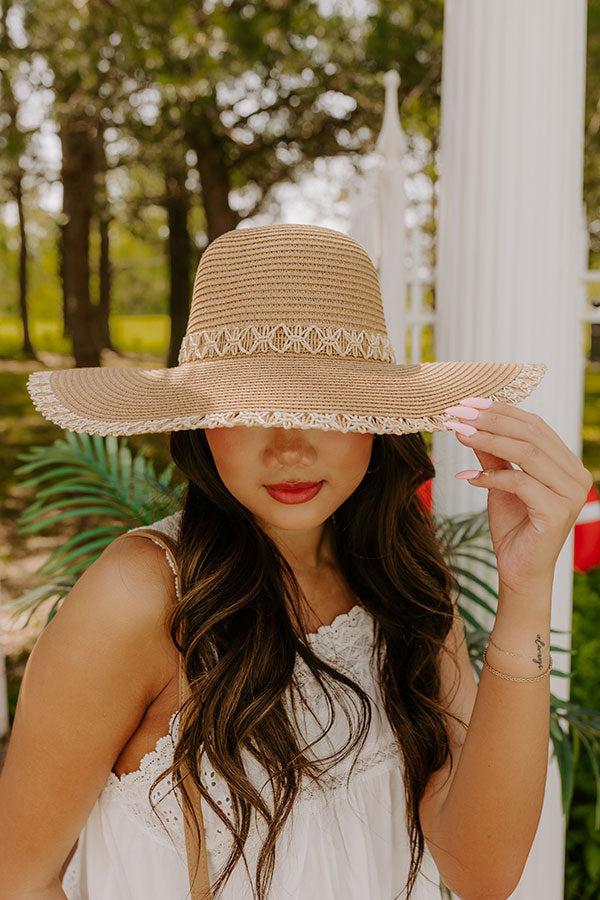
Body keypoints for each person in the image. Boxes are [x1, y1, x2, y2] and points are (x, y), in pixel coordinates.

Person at [1, 223, 591, 900]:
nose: (289, 446)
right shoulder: (142, 594)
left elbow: (482, 871)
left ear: (377, 415)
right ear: (198, 421)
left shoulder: (403, 580)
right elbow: (20, 879)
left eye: (328, 404)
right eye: (247, 407)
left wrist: (526, 589)